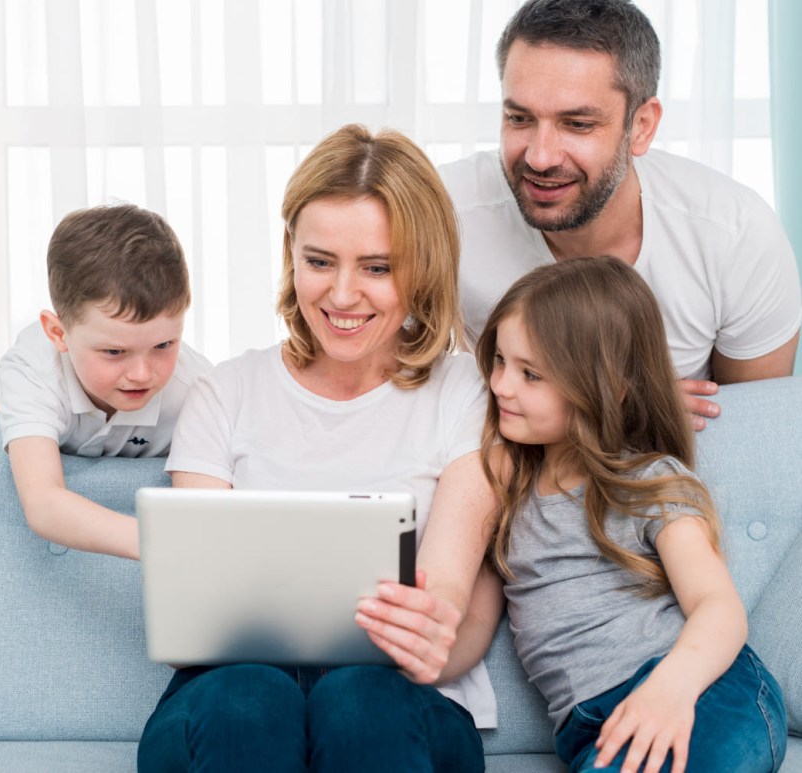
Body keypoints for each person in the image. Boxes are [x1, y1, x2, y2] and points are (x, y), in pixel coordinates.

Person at [136, 124, 499, 772]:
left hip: (398, 703)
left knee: (358, 698)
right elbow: (200, 604)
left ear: (424, 267)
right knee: (249, 692)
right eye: (319, 260)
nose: (340, 294)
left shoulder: (463, 391)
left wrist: (432, 624)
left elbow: (446, 583)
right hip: (228, 701)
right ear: (291, 256)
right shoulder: (226, 392)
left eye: (377, 267)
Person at [472, 256, 786, 772]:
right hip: (589, 729)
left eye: (531, 374)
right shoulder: (507, 497)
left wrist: (671, 689)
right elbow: (470, 628)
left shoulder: (646, 481)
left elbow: (717, 606)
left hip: (700, 690)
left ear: (607, 388)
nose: (502, 385)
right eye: (500, 361)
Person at [439, 0, 801, 430]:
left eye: (577, 124)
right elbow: (382, 387)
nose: (539, 157)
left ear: (642, 126)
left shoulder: (735, 235)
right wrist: (618, 409)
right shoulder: (443, 214)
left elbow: (756, 435)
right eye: (519, 118)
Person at [0, 204, 210, 560]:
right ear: (57, 333)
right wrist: (167, 544)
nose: (142, 373)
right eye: (113, 352)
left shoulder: (199, 389)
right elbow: (44, 504)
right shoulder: (33, 367)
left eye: (164, 345)